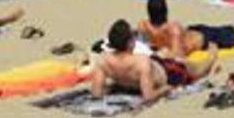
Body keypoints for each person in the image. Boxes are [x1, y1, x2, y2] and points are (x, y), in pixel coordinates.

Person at [88, 20, 218, 103]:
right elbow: (148, 97)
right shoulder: (141, 62)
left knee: (165, 54)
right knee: (197, 68)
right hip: (169, 72)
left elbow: (96, 93)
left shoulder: (103, 60)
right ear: (129, 43)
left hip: (154, 65)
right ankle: (212, 56)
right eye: (132, 37)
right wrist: (165, 89)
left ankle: (206, 57)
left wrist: (116, 87)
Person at [137, 0, 234, 58]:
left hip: (204, 38)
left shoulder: (172, 29)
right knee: (224, 29)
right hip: (191, 32)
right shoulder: (143, 25)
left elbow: (178, 55)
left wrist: (162, 53)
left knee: (230, 32)